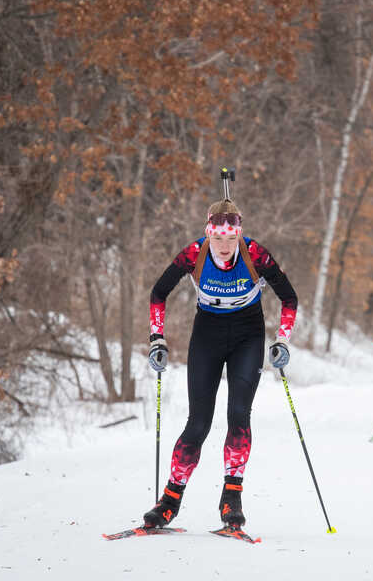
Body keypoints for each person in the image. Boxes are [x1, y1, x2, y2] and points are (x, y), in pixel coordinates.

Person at [142, 198, 298, 530]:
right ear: (207, 233)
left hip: (248, 335)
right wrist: (157, 338)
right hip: (208, 335)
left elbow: (289, 298)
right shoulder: (193, 254)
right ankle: (169, 502)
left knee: (238, 414)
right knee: (198, 422)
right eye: (218, 238)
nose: (225, 246)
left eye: (231, 238)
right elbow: (158, 293)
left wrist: (283, 339)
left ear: (239, 234)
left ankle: (232, 500)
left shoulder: (255, 253)